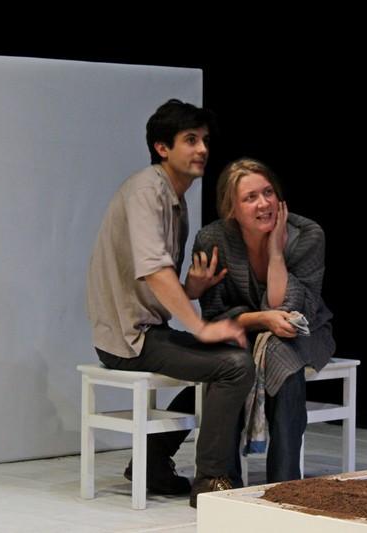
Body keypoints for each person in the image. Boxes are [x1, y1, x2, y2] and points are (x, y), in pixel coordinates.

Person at [86, 99, 253, 508]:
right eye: (190, 140)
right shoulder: (148, 190)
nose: (202, 149)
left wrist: (191, 288)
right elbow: (153, 272)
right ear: (162, 148)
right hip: (130, 340)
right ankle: (211, 480)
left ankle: (153, 462)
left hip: (148, 331)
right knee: (235, 366)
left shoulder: (172, 196)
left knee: (230, 357)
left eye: (205, 140)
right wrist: (200, 326)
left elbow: (152, 277)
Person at [192, 157, 336, 483]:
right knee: (229, 360)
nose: (264, 203)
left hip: (303, 330)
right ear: (231, 208)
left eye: (268, 192)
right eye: (250, 197)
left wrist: (275, 253)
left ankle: (284, 482)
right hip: (241, 332)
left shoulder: (307, 235)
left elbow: (293, 310)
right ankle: (223, 480)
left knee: (281, 354)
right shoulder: (212, 240)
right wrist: (261, 319)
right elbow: (214, 315)